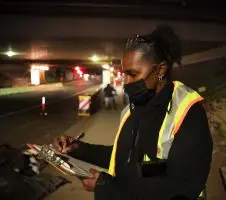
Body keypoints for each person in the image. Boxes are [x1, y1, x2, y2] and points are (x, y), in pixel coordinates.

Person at [53, 25, 212, 200]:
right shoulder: (133, 109)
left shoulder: (188, 112)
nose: (126, 82)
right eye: (125, 75)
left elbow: (181, 186)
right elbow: (123, 157)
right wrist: (78, 149)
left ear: (160, 70)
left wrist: (107, 189)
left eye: (133, 74)